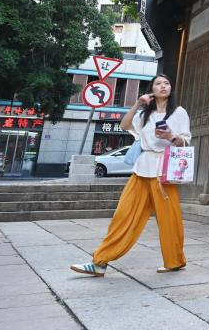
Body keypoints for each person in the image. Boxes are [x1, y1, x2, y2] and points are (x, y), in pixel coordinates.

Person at [70, 74, 191, 276]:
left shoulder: (179, 112)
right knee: (123, 215)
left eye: (167, 83)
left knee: (170, 219)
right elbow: (124, 125)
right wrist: (137, 103)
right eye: (158, 84)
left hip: (164, 171)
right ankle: (100, 262)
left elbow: (185, 142)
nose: (163, 86)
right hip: (142, 169)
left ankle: (175, 261)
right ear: (152, 89)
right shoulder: (144, 114)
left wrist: (171, 136)